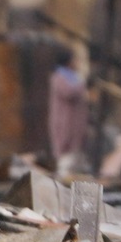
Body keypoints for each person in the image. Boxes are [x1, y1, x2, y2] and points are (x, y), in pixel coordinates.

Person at [48, 44, 89, 174]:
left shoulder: (73, 77)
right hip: (64, 124)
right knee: (65, 158)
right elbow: (69, 92)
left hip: (75, 126)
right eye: (74, 60)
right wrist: (82, 82)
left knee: (76, 158)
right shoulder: (59, 77)